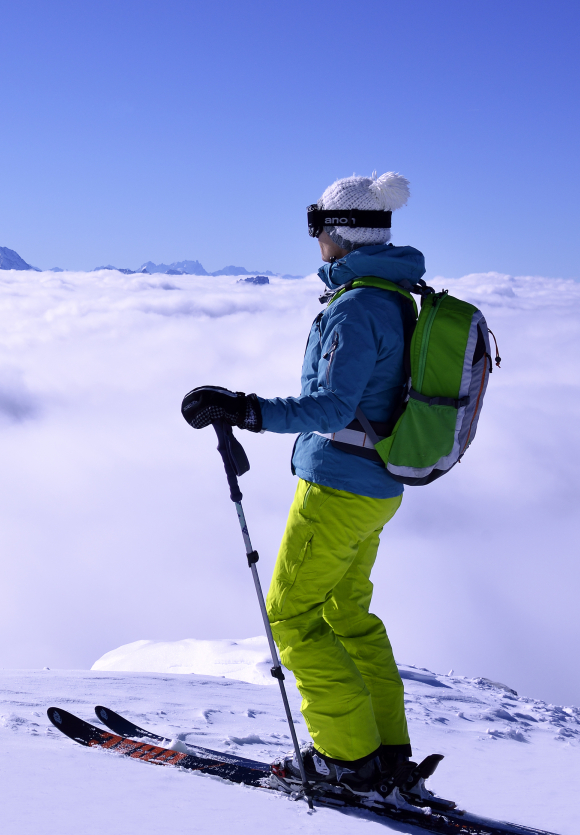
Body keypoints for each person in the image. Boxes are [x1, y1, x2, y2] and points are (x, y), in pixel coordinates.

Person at [180, 172, 435, 803]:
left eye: (319, 223)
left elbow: (330, 405)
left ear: (342, 231)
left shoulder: (357, 306)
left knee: (290, 616)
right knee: (347, 615)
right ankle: (385, 753)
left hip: (338, 487)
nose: (315, 235)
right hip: (379, 487)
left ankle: (348, 761)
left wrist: (245, 409)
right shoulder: (397, 297)